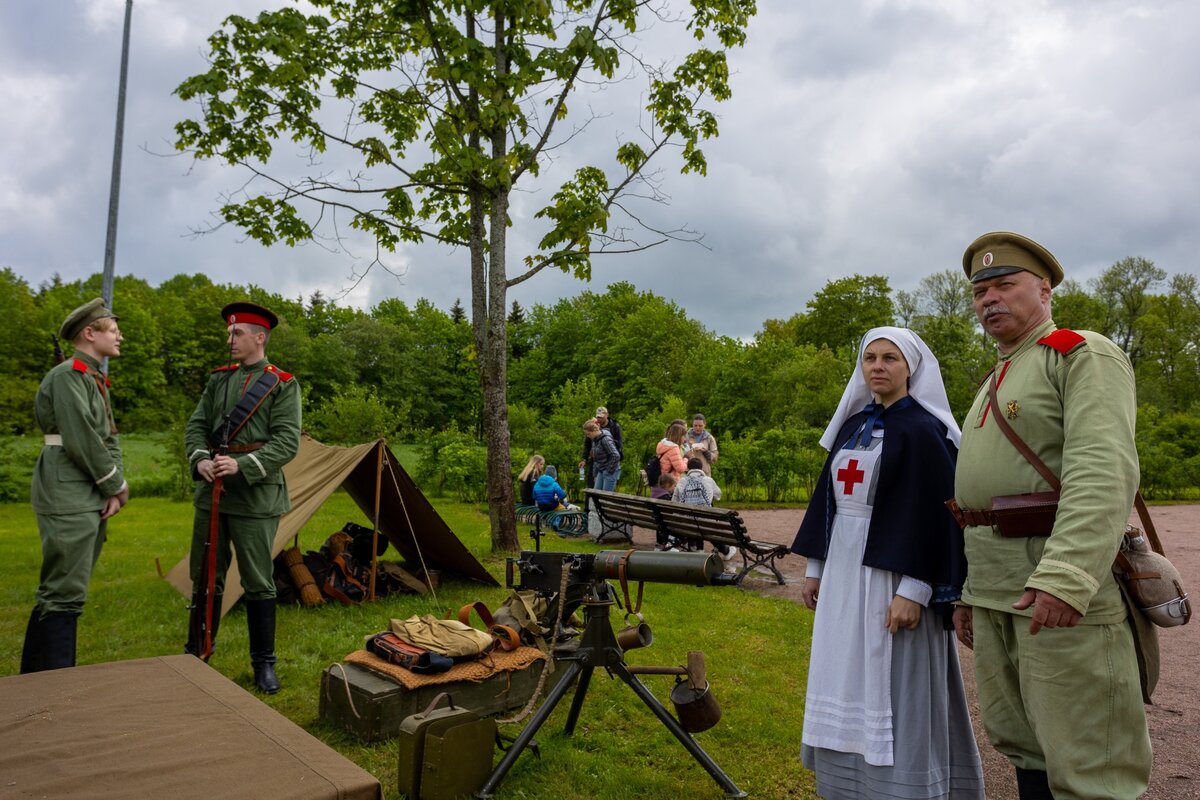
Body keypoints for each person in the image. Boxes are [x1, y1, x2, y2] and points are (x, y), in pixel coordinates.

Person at [951, 231, 1151, 799]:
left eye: (1004, 285)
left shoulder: (1080, 353)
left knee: (1091, 763)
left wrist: (1067, 576)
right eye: (980, 290)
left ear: (1043, 289)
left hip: (1053, 588)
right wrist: (970, 592)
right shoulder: (999, 374)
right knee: (1026, 746)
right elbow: (977, 503)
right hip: (996, 589)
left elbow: (1103, 471)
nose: (989, 298)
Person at [790, 327, 984, 800]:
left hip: (892, 577)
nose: (877, 366)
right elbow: (827, 502)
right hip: (842, 573)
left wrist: (915, 589)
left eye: (890, 358)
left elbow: (937, 515)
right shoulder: (853, 425)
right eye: (870, 358)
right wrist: (816, 569)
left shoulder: (924, 431)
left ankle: (904, 788)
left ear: (910, 368)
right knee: (843, 673)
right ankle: (848, 785)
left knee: (897, 684)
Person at [184, 301, 301, 694]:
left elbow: (286, 442)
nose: (229, 340)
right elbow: (197, 426)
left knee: (257, 581)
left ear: (259, 338)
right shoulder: (218, 380)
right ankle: (196, 651)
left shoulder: (282, 383)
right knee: (205, 576)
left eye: (236, 334)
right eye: (228, 334)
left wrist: (244, 465)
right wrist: (200, 460)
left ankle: (263, 664)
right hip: (211, 493)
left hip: (256, 496)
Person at [20, 299, 129, 673]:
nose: (120, 336)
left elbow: (108, 437)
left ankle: (34, 682)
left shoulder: (92, 376)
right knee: (63, 593)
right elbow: (81, 438)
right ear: (89, 333)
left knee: (64, 590)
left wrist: (112, 487)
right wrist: (115, 485)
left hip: (85, 489)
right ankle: (54, 689)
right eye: (113, 330)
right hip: (67, 488)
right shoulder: (69, 376)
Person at [673, 456, 732, 559]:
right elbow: (718, 495)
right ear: (701, 468)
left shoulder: (682, 481)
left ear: (688, 468)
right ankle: (725, 550)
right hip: (705, 523)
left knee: (691, 519)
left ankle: (695, 548)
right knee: (706, 522)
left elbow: (674, 502)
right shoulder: (708, 480)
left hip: (686, 522)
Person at [579, 406, 623, 488]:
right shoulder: (594, 435)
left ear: (606, 415)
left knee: (605, 494)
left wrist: (609, 469)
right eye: (598, 417)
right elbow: (587, 445)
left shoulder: (613, 428)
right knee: (594, 489)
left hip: (609, 465)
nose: (599, 419)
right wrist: (584, 459)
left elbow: (617, 451)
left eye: (601, 417)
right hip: (599, 464)